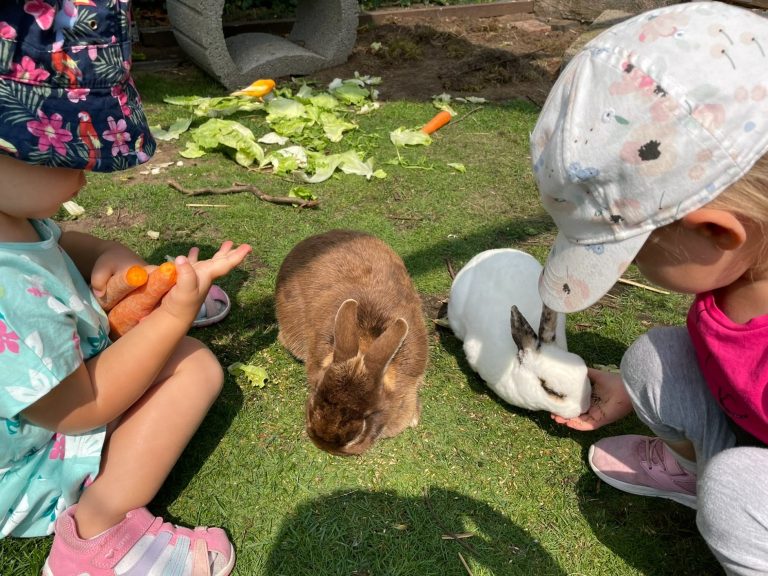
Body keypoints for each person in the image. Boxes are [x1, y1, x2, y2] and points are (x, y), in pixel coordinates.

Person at [0, 2, 251, 575]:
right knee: (194, 367)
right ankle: (94, 538)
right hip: (26, 465)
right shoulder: (6, 302)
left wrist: (117, 261)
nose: (85, 171)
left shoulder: (8, 220)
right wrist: (168, 319)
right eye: (66, 153)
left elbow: (60, 244)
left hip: (47, 395)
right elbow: (81, 409)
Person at [530, 2, 768, 573]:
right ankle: (700, 473)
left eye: (634, 250)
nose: (632, 270)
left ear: (716, 231)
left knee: (736, 491)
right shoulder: (737, 275)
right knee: (652, 360)